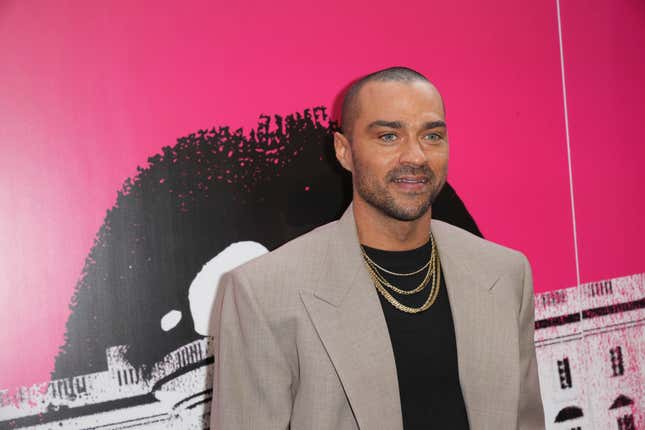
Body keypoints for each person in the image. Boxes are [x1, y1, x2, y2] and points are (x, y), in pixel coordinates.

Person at [210, 66, 545, 429]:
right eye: (389, 136)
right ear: (344, 151)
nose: (415, 156)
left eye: (432, 136)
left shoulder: (506, 273)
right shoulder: (263, 293)